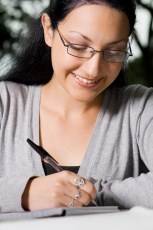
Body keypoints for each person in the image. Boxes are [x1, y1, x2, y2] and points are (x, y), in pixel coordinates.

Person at [0, 0, 153, 213]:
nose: (93, 70)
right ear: (48, 30)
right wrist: (26, 193)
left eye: (114, 51)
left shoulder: (141, 109)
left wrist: (84, 194)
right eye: (78, 46)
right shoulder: (5, 103)